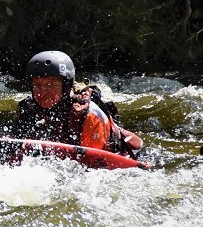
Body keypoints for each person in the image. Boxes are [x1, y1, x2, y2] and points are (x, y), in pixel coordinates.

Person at [8, 50, 143, 158]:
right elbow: (13, 150)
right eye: (37, 85)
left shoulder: (88, 115)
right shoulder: (27, 109)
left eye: (50, 85)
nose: (42, 93)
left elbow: (92, 166)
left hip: (121, 157)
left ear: (66, 86)